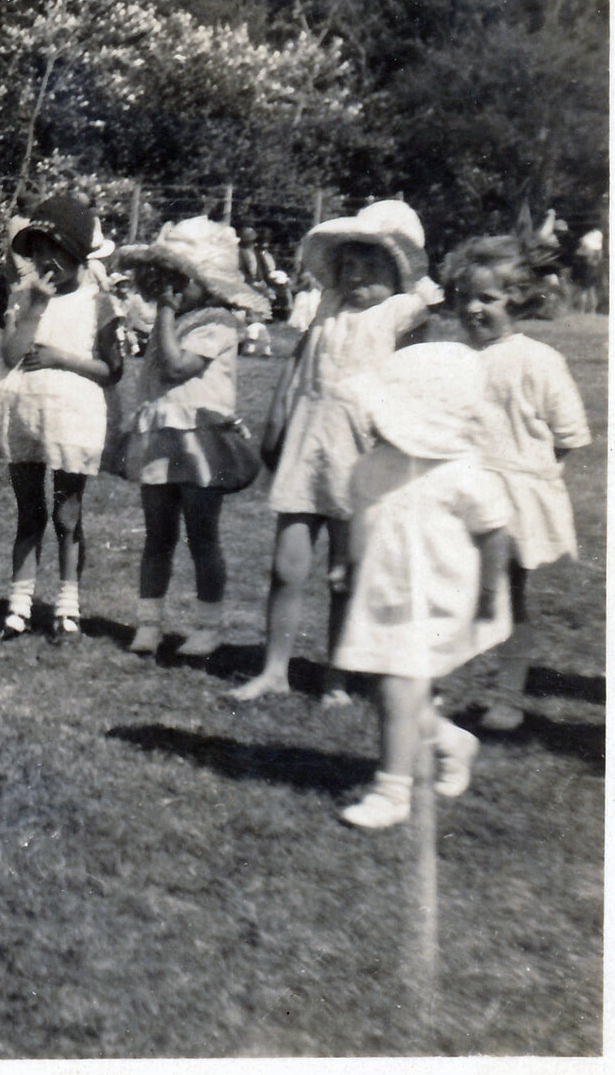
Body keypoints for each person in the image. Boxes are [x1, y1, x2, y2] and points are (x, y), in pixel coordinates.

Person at [231, 201, 441, 702]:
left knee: (345, 574)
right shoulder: (327, 307)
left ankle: (337, 676)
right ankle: (274, 669)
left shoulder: (401, 313)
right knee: (286, 566)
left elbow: (416, 374)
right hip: (309, 443)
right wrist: (277, 416)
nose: (355, 278)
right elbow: (298, 361)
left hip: (360, 455)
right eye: (347, 266)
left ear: (397, 273)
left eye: (370, 268)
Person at [329, 343, 505, 829]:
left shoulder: (463, 472)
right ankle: (451, 742)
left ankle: (391, 791)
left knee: (395, 687)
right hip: (382, 592)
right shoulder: (371, 466)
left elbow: (493, 532)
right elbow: (363, 518)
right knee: (391, 689)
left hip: (439, 598)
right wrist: (349, 563)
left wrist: (489, 593)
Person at [444, 235, 593, 730]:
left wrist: (527, 479)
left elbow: (568, 433)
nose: (473, 309)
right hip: (461, 492)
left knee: (507, 594)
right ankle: (457, 687)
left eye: (487, 298)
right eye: (465, 298)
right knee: (457, 592)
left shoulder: (537, 359)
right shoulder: (453, 358)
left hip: (512, 498)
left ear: (517, 300)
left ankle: (506, 695)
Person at [112, 218, 269, 659]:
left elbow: (179, 366)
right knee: (157, 535)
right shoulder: (174, 319)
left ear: (209, 283)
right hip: (162, 435)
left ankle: (207, 626)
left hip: (200, 439)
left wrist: (165, 311)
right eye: (169, 280)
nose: (173, 289)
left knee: (202, 535)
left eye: (182, 280)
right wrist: (164, 311)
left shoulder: (218, 323)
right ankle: (149, 622)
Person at [0, 192, 124, 642]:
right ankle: (19, 606)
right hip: (26, 413)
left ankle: (67, 605)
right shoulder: (25, 299)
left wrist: (63, 358)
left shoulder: (98, 302)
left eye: (55, 250)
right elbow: (11, 355)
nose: (46, 261)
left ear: (78, 253)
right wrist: (36, 308)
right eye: (38, 250)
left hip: (72, 418)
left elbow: (112, 370)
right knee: (30, 513)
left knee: (67, 512)